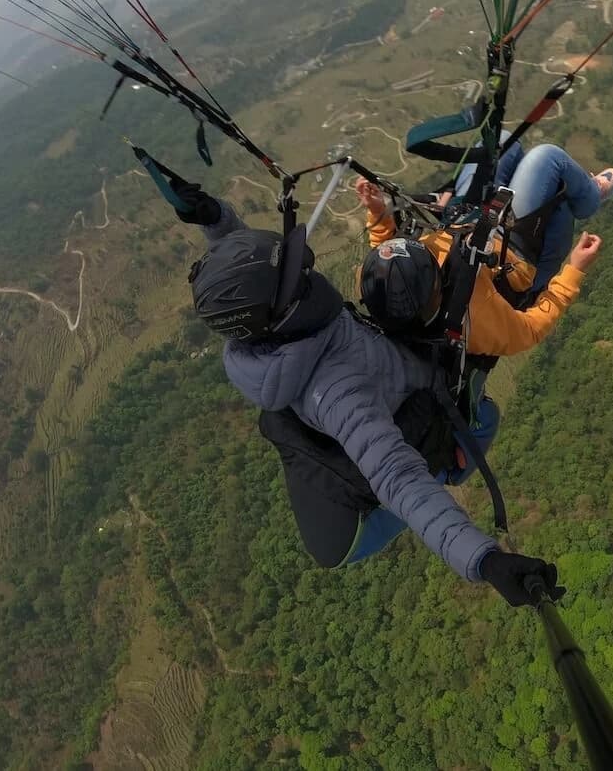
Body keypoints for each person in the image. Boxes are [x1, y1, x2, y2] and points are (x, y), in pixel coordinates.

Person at [170, 179, 563, 606]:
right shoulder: (337, 390)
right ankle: (450, 465)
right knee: (481, 420)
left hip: (355, 425)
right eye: (295, 278)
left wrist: (216, 219)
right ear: (279, 313)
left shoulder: (279, 325)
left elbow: (255, 277)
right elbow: (400, 480)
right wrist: (484, 560)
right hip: (352, 530)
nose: (305, 270)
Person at [355, 141, 613, 356]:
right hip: (516, 249)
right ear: (435, 286)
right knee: (547, 158)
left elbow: (386, 257)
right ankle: (590, 198)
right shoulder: (471, 317)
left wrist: (378, 212)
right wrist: (573, 270)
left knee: (502, 143)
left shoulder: (382, 290)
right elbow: (530, 330)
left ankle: (575, 189)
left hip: (471, 224)